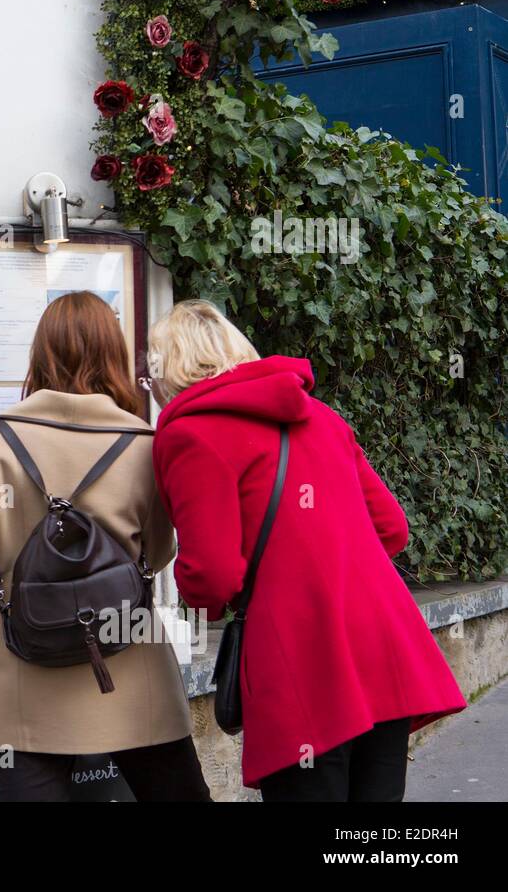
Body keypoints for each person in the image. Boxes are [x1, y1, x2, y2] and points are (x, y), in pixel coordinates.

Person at [148, 299, 467, 801]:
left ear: (168, 369)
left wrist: (213, 596)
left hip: (300, 660)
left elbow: (211, 576)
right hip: (384, 648)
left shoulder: (189, 434)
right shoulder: (318, 415)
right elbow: (392, 528)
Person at [0, 292, 210, 802]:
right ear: (114, 356)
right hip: (131, 671)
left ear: (40, 355)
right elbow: (160, 551)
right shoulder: (145, 443)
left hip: (27, 678)